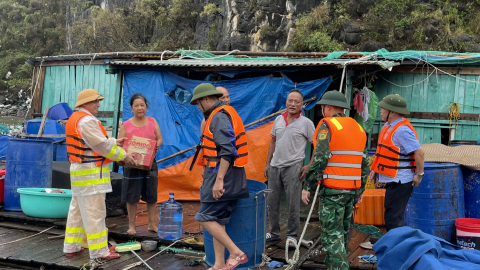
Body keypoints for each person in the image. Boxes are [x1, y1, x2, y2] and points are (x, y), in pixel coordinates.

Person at [63, 89, 135, 261]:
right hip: (91, 175)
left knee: (78, 211)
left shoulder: (76, 119)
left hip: (80, 173)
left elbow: (94, 142)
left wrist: (113, 142)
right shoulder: (87, 121)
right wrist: (124, 156)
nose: (98, 104)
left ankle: (71, 247)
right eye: (95, 101)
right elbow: (101, 146)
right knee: (94, 212)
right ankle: (100, 252)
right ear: (85, 103)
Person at [302, 90, 369, 270]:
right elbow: (365, 163)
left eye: (322, 107)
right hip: (351, 191)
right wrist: (360, 190)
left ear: (328, 107)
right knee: (342, 235)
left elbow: (320, 158)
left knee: (332, 236)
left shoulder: (327, 125)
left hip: (332, 191)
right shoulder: (358, 128)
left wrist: (308, 185)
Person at [190, 83, 249, 270]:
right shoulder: (218, 115)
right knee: (218, 220)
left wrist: (219, 180)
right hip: (227, 174)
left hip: (223, 174)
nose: (198, 108)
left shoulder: (219, 117)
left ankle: (236, 253)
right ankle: (219, 264)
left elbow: (227, 151)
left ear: (206, 99)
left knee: (204, 217)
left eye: (198, 104)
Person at [263, 89, 315, 248]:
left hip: (293, 167)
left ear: (302, 104)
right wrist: (267, 163)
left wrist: (309, 165)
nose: (292, 104)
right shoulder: (278, 119)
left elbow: (317, 145)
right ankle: (274, 233)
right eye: (290, 100)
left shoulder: (306, 123)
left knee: (293, 203)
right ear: (286, 102)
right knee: (272, 202)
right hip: (275, 166)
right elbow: (273, 142)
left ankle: (292, 236)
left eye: (296, 101)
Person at [369, 94, 424, 232]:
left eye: (383, 108)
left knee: (394, 218)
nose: (380, 111)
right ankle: (392, 244)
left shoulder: (402, 130)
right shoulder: (388, 126)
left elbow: (419, 152)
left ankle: (396, 248)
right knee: (391, 214)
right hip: (393, 180)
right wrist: (375, 169)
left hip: (401, 181)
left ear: (391, 112)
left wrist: (419, 174)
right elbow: (383, 153)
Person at [119, 93, 163, 235]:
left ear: (146, 107)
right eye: (136, 105)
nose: (140, 108)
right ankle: (132, 226)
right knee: (131, 196)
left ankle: (152, 224)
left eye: (142, 105)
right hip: (131, 164)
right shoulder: (125, 125)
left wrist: (157, 146)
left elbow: (160, 138)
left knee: (151, 194)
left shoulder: (152, 122)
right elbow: (119, 145)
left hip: (150, 163)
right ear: (131, 108)